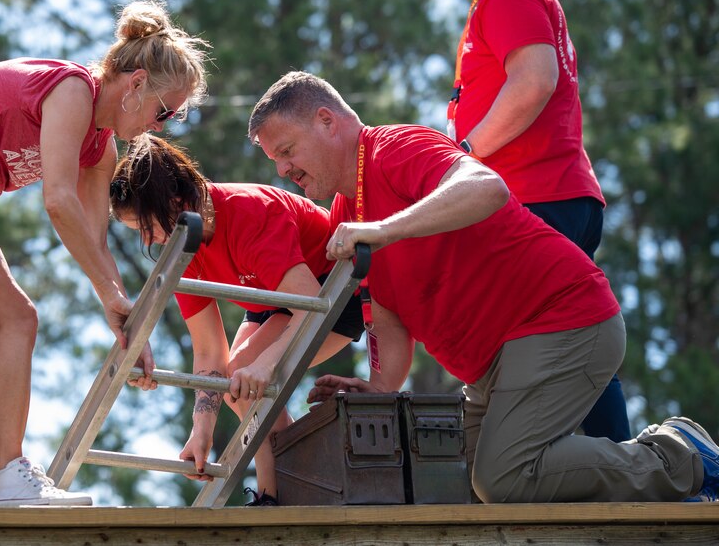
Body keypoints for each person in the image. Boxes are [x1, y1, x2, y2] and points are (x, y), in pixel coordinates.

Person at [246, 71, 718, 504]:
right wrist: (376, 388)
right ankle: (669, 487)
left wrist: (386, 229)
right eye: (275, 161)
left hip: (564, 321)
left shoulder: (394, 148)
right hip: (495, 366)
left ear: (327, 121)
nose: (284, 171)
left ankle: (681, 458)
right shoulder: (347, 214)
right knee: (452, 487)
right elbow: (387, 319)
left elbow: (485, 186)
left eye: (287, 151)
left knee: (503, 478)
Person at [0, 0, 211, 506]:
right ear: (135, 84)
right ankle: (6, 478)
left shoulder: (100, 148)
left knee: (7, 329)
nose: (161, 126)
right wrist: (108, 292)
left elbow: (94, 238)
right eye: (164, 111)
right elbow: (58, 202)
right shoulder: (72, 90)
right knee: (15, 320)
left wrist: (127, 317)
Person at [416, 0, 630, 442]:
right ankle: (625, 465)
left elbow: (535, 80)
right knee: (564, 335)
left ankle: (646, 466)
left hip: (541, 198)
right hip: (550, 196)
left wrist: (463, 157)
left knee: (562, 338)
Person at [109, 134, 364, 505]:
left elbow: (311, 303)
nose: (151, 240)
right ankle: (294, 485)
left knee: (247, 371)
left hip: (333, 291)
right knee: (236, 380)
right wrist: (202, 432)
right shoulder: (183, 243)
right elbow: (209, 350)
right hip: (273, 297)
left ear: (175, 202)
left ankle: (275, 496)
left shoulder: (249, 213)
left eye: (148, 228)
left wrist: (266, 363)